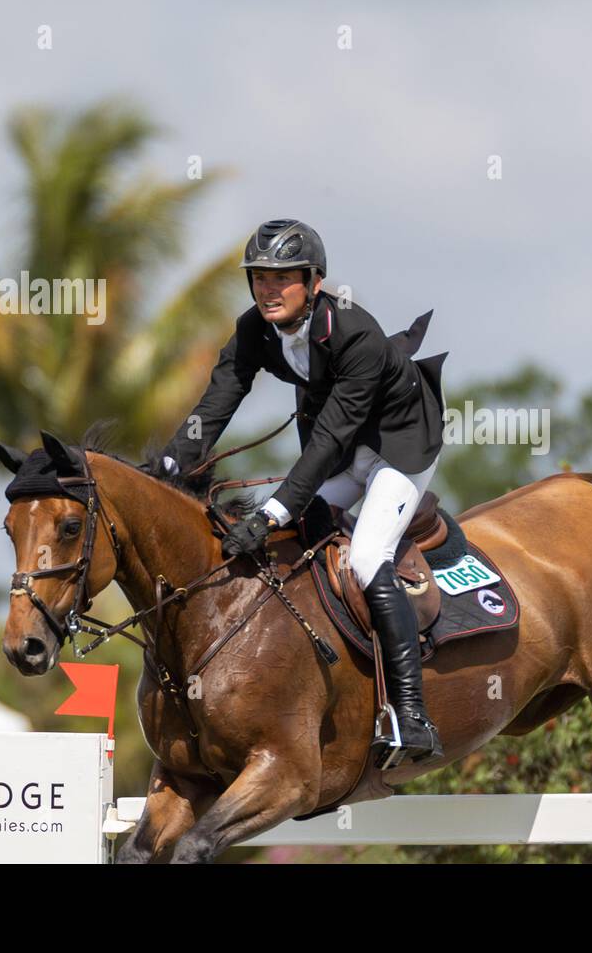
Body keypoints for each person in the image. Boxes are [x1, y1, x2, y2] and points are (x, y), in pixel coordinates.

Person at [158, 218, 446, 764]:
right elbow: (217, 403)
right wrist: (169, 464)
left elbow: (330, 436)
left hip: (400, 446)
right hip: (344, 447)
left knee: (365, 557)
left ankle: (411, 713)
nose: (268, 290)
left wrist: (270, 512)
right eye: (259, 279)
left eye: (282, 278)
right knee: (296, 536)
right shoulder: (254, 330)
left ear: (314, 281)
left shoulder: (355, 332)